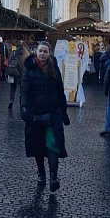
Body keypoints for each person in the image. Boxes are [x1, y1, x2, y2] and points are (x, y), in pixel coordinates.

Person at [21, 40, 70, 193]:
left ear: (49, 54)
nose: (42, 54)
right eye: (41, 51)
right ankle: (41, 174)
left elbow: (60, 90)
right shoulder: (29, 68)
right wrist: (24, 109)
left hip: (52, 112)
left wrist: (64, 111)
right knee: (38, 146)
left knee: (52, 145)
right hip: (35, 114)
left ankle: (53, 177)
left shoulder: (54, 68)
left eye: (45, 51)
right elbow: (24, 91)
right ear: (36, 51)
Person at [6, 41, 29, 110]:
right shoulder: (27, 53)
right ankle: (21, 103)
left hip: (14, 73)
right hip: (23, 74)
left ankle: (11, 101)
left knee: (13, 89)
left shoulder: (14, 52)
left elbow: (9, 61)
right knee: (22, 90)